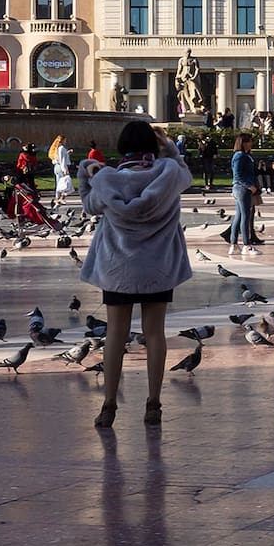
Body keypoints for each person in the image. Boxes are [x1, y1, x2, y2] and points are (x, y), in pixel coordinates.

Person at [80, 119, 192, 429]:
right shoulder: (169, 175)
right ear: (153, 146)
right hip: (158, 266)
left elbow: (89, 205)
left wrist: (88, 169)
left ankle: (109, 404)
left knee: (116, 333)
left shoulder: (108, 180)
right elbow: (185, 173)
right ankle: (153, 403)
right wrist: (169, 146)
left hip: (118, 268)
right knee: (154, 332)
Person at [228, 132, 260, 250]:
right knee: (245, 216)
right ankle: (246, 244)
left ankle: (234, 243)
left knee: (239, 215)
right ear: (244, 143)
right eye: (250, 141)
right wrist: (249, 186)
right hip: (242, 188)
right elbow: (237, 174)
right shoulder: (239, 155)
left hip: (242, 188)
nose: (251, 143)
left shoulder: (245, 155)